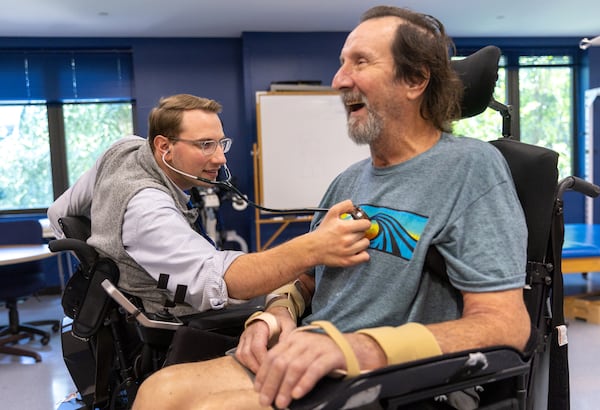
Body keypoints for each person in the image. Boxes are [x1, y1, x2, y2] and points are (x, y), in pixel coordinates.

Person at [132, 6, 531, 409]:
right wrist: (273, 315)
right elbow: (307, 281)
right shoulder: (348, 181)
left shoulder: (470, 167)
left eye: (360, 62)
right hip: (309, 354)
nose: (339, 80)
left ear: (415, 79)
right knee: (157, 392)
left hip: (391, 376)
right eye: (341, 64)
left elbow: (506, 324)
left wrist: (361, 348)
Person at [48, 93, 372, 316]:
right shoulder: (146, 208)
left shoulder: (123, 149)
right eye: (205, 145)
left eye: (220, 143)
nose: (220, 157)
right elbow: (216, 283)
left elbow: (59, 213)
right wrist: (311, 250)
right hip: (172, 323)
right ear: (165, 147)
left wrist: (108, 247)